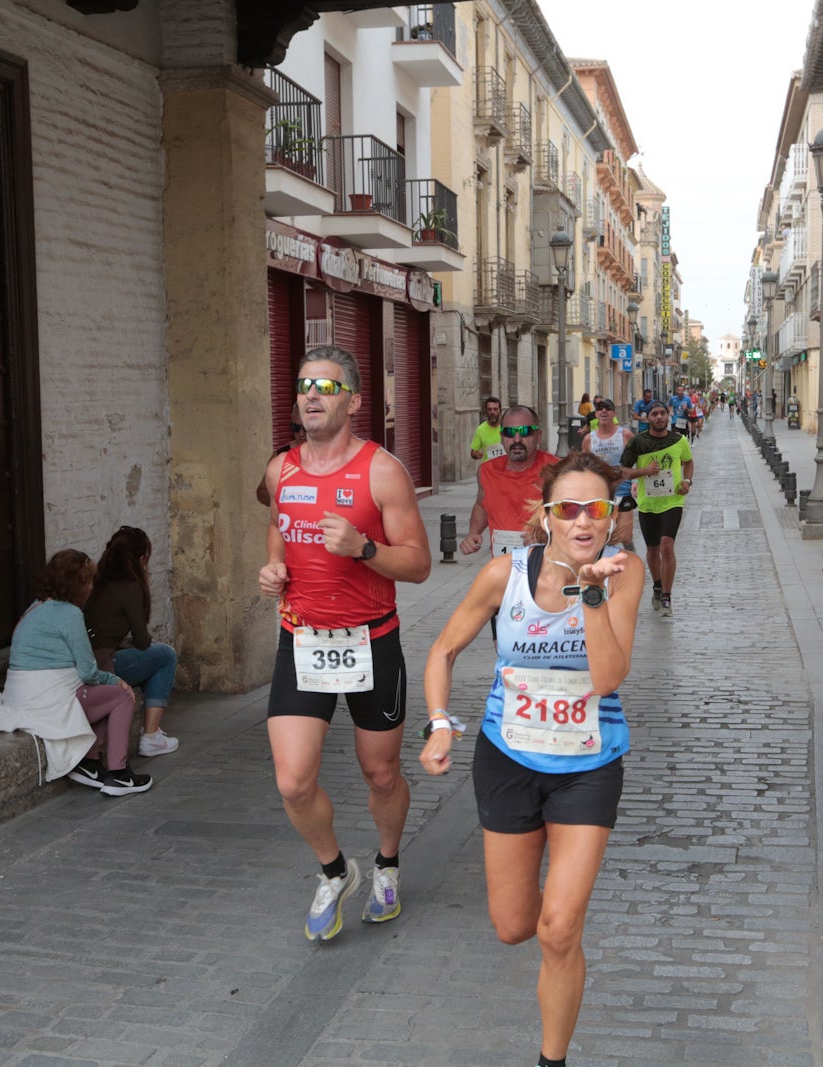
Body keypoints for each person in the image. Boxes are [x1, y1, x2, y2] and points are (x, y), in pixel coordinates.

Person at [420, 450, 644, 1067]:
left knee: (559, 929)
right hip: (508, 760)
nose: (582, 521)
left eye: (595, 509)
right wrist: (440, 724)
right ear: (545, 517)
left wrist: (592, 597)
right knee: (515, 925)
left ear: (610, 516)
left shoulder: (627, 573)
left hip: (588, 765)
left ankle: (552, 1060)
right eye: (567, 509)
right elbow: (442, 650)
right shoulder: (504, 574)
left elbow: (605, 678)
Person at [259, 345, 432, 942]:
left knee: (380, 775)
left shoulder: (382, 471)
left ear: (354, 401)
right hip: (301, 641)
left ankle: (386, 863)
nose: (311, 394)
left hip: (371, 644)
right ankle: (335, 872)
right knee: (292, 781)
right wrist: (273, 567)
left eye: (326, 387)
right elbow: (279, 525)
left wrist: (363, 549)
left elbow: (418, 566)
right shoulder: (281, 470)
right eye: (305, 385)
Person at [0, 549, 152, 796]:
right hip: (46, 700)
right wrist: (117, 680)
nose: (92, 586)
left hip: (21, 697)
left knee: (101, 695)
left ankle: (88, 762)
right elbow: (89, 672)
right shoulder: (69, 614)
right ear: (79, 585)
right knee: (120, 696)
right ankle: (119, 775)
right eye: (89, 581)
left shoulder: (36, 607)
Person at [85, 525, 179, 758]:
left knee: (155, 657)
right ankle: (151, 735)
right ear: (141, 557)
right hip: (104, 661)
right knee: (165, 655)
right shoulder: (131, 586)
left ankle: (152, 735)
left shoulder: (96, 578)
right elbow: (142, 641)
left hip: (87, 657)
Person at [620, 402, 694, 618]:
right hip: (648, 503)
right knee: (652, 550)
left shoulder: (679, 440)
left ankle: (667, 596)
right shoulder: (637, 442)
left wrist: (687, 481)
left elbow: (688, 462)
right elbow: (623, 471)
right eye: (655, 414)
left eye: (663, 413)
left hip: (673, 501)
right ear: (648, 418)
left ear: (668, 416)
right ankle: (657, 585)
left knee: (667, 546)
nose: (659, 417)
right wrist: (645, 470)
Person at [461, 405, 559, 557]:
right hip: (503, 569)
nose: (517, 439)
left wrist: (546, 535)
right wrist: (473, 533)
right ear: (501, 437)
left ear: (538, 435)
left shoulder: (557, 470)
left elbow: (575, 518)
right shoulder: (486, 471)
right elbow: (481, 505)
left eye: (525, 432)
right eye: (509, 432)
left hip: (546, 566)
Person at [581, 398, 636, 551]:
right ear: (596, 414)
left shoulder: (625, 435)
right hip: (600, 494)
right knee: (604, 538)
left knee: (626, 538)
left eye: (608, 408)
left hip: (623, 491)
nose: (604, 411)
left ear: (614, 412)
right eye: (599, 409)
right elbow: (584, 466)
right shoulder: (588, 439)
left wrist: (636, 482)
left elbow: (638, 460)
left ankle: (632, 568)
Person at [256, 421, 308, 506]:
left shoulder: (330, 453)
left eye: (305, 428)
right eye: (296, 427)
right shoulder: (282, 455)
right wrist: (288, 500)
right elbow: (262, 492)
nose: (301, 433)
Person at [470, 396, 505, 461]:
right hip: (489, 470)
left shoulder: (507, 426)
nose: (492, 412)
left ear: (500, 410)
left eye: (495, 409)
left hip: (506, 469)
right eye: (490, 409)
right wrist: (477, 454)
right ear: (485, 411)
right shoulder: (480, 429)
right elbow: (473, 452)